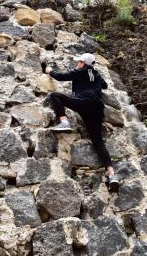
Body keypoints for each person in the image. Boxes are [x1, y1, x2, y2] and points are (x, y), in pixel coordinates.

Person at [45, 53, 119, 192]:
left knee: (55, 96)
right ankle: (112, 175)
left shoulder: (79, 71)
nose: (77, 63)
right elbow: (104, 85)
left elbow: (61, 77)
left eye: (79, 61)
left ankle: (64, 122)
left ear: (83, 63)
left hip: (83, 102)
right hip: (97, 109)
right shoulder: (96, 74)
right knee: (98, 142)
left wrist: (50, 71)